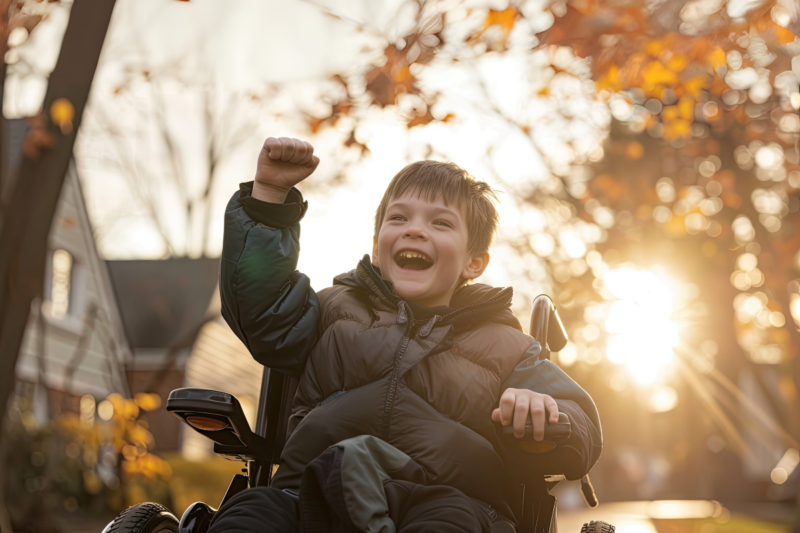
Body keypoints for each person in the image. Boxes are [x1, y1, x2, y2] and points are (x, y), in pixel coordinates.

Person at [209, 137, 602, 533]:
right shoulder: (330, 311)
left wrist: (545, 413)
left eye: (440, 222)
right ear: (378, 249)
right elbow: (261, 309)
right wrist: (270, 197)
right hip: (311, 487)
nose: (415, 230)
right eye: (398, 218)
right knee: (250, 513)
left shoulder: (508, 347)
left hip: (451, 498)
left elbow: (580, 421)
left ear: (474, 262)